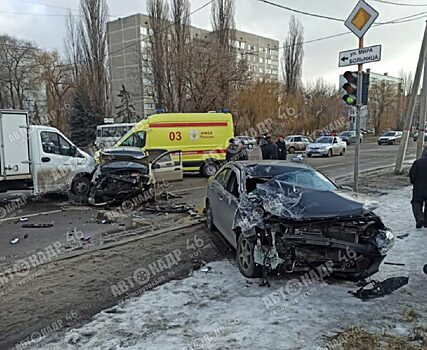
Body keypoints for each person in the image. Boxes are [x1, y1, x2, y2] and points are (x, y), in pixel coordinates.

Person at [409, 148, 427, 228]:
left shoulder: (418, 162)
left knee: (416, 203)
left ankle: (419, 218)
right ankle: (426, 222)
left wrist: (413, 182)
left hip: (418, 188)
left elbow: (412, 174)